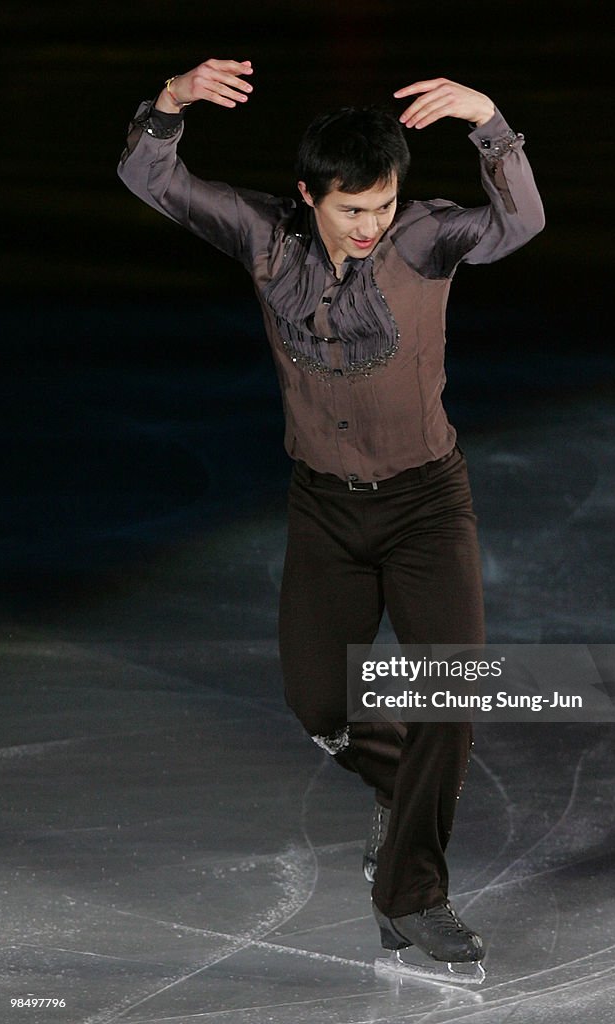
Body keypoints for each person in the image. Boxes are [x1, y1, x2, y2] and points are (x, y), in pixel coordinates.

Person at [118, 57, 544, 973]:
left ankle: (413, 898)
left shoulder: (424, 240)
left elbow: (521, 219)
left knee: (448, 699)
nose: (370, 227)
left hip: (428, 502)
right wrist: (170, 104)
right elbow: (149, 178)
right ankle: (400, 797)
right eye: (353, 211)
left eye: (384, 206)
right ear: (310, 194)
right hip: (324, 510)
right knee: (320, 701)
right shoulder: (267, 239)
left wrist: (490, 122)